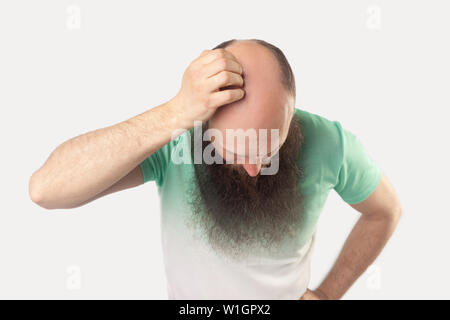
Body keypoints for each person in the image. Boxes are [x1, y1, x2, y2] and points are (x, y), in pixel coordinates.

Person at [29, 39, 402, 299]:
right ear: (204, 125)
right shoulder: (178, 136)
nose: (256, 168)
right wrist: (176, 111)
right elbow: (46, 189)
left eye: (271, 145)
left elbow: (385, 212)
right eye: (236, 151)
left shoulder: (330, 142)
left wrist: (327, 293)